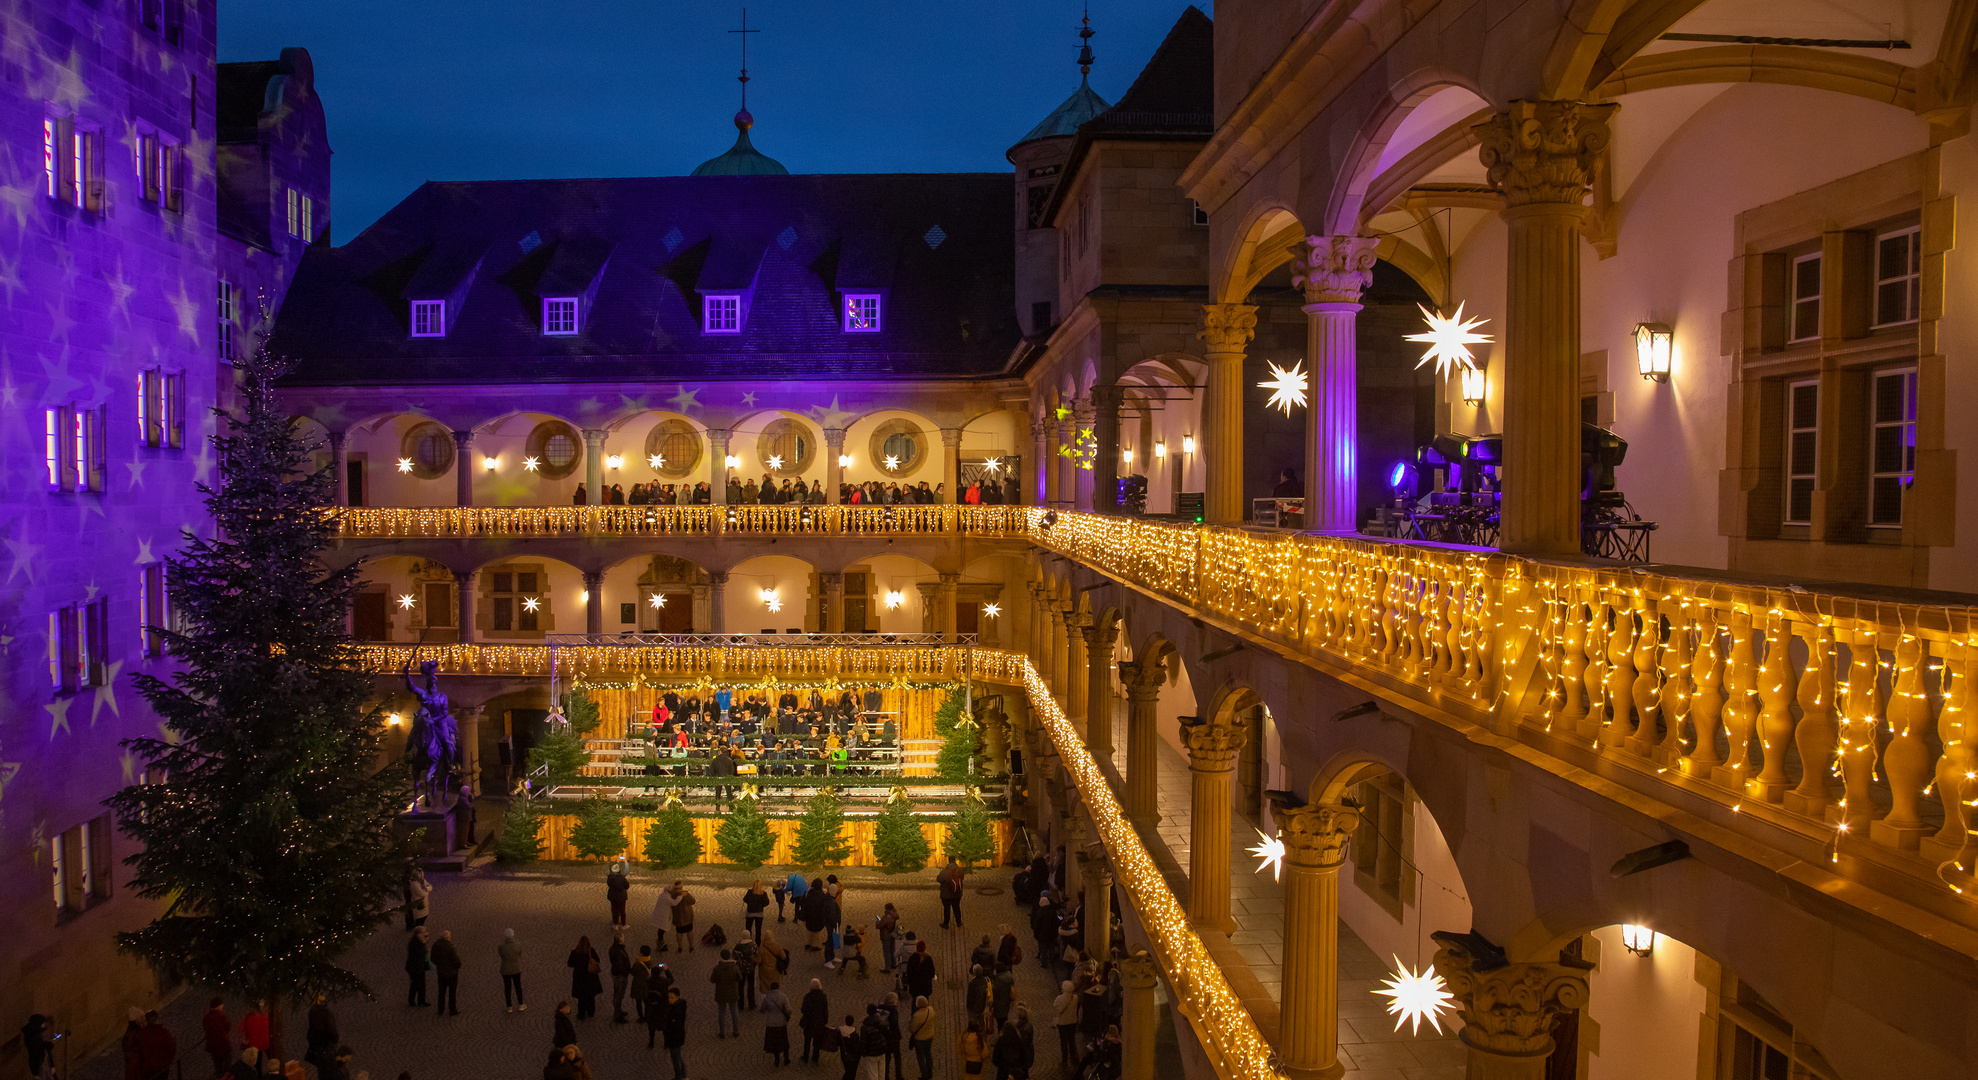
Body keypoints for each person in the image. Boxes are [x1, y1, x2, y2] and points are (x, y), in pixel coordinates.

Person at [710, 947, 744, 1038]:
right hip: (733, 992)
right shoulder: (735, 967)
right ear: (729, 956)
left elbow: (712, 979)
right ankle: (736, 1031)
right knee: (734, 1011)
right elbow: (740, 978)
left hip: (721, 993)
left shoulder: (717, 968)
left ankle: (722, 1032)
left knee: (721, 1012)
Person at [567, 936, 603, 1019]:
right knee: (590, 996)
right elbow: (598, 959)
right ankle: (591, 1012)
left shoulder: (575, 953)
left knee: (581, 997)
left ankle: (581, 1014)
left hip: (579, 978)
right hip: (590, 978)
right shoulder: (591, 951)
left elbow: (570, 964)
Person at [758, 980, 792, 1067]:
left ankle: (777, 1060)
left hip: (771, 1024)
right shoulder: (783, 997)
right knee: (784, 1042)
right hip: (781, 1023)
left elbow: (762, 1009)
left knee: (774, 1043)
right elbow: (788, 1010)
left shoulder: (767, 998)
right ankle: (786, 1059)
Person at [137, 1011, 176, 1080]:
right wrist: (169, 1061)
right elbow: (171, 1048)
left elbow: (140, 1052)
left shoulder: (142, 1034)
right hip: (163, 1066)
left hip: (149, 1068)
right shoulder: (164, 1032)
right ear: (156, 1019)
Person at [432, 929, 462, 1016]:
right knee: (452, 992)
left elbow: (432, 958)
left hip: (441, 972)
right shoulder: (450, 947)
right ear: (448, 937)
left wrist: (438, 964)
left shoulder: (435, 945)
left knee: (441, 991)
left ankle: (440, 1009)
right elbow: (456, 960)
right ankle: (452, 1009)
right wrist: (457, 965)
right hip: (451, 972)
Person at [799, 978, 831, 1062]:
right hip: (819, 1022)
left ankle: (806, 1056)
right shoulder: (823, 997)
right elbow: (825, 1010)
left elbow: (803, 1009)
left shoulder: (808, 997)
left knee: (807, 1040)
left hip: (809, 1022)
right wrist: (825, 1020)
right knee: (817, 1041)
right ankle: (815, 1057)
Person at [305, 994, 340, 1070]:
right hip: (326, 1045)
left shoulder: (312, 1011)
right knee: (328, 1067)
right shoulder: (326, 1013)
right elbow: (332, 1030)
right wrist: (335, 1040)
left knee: (321, 1068)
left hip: (317, 1045)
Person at [662, 987, 689, 1080]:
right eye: (669, 997)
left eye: (672, 997)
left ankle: (678, 1077)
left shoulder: (677, 1010)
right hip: (675, 1036)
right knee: (678, 1056)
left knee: (675, 1059)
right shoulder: (676, 1006)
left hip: (674, 1037)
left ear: (677, 997)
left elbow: (673, 1023)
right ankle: (683, 1075)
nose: (670, 999)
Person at [202, 998, 232, 1075]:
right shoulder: (220, 1016)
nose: (222, 1007)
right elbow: (227, 1028)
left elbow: (206, 1028)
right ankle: (227, 1076)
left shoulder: (206, 1018)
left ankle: (219, 1076)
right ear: (218, 1006)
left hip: (213, 1046)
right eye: (221, 1006)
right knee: (228, 1060)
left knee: (217, 1063)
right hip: (223, 1044)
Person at [857, 1007, 889, 1080]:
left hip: (871, 1053)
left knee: (872, 1074)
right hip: (882, 1051)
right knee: (881, 1073)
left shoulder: (864, 1028)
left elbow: (864, 1042)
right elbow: (887, 1035)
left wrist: (864, 1053)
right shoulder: (881, 1023)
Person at [501, 928, 528, 1012]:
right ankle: (521, 1004)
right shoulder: (518, 945)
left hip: (505, 969)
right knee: (518, 986)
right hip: (516, 968)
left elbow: (501, 955)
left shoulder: (501, 946)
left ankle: (509, 1006)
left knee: (507, 987)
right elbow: (519, 954)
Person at [909, 995, 936, 1080]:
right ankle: (930, 1072)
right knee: (928, 1054)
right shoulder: (930, 1010)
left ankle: (924, 1074)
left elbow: (913, 1029)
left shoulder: (917, 1015)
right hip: (930, 1035)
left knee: (920, 1056)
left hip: (919, 1038)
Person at [1052, 981, 1079, 1066]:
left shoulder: (1059, 998)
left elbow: (1055, 1006)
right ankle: (1074, 1058)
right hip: (1072, 1023)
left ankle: (1064, 1060)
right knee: (1072, 1040)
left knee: (1064, 1042)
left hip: (1063, 1024)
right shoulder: (1075, 998)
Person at [608, 932, 633, 1023]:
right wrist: (626, 972)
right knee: (619, 995)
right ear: (620, 941)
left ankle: (619, 1011)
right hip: (620, 976)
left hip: (617, 974)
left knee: (618, 994)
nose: (624, 939)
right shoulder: (618, 951)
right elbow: (619, 966)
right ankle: (617, 1015)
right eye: (623, 938)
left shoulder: (614, 948)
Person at [405, 927, 431, 1006]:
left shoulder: (415, 941)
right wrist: (423, 943)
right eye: (423, 933)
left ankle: (421, 1000)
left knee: (421, 984)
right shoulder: (414, 943)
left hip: (419, 966)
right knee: (415, 984)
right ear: (419, 934)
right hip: (415, 967)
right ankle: (412, 1000)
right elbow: (421, 953)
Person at [669, 881, 698, 953]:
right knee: (689, 932)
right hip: (687, 916)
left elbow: (671, 905)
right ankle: (691, 946)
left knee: (679, 932)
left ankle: (680, 947)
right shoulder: (686, 895)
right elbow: (693, 901)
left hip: (678, 917)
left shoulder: (672, 895)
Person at [939, 857, 965, 928]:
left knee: (947, 909)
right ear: (955, 860)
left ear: (948, 861)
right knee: (956, 908)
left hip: (946, 894)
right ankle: (959, 922)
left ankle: (946, 923)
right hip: (957, 893)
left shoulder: (945, 871)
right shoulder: (959, 870)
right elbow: (962, 877)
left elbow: (939, 879)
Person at [631, 945, 654, 1023]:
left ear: (641, 953)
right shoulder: (649, 962)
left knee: (638, 1002)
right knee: (647, 1002)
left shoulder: (637, 963)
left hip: (638, 985)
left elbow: (632, 972)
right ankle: (647, 1016)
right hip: (647, 985)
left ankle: (641, 1017)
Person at [606, 857, 631, 928]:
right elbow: (627, 886)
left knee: (614, 910)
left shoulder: (610, 878)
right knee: (622, 911)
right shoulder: (622, 879)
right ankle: (623, 924)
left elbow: (609, 884)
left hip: (613, 896)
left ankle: (615, 924)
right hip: (621, 896)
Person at [837, 1014, 864, 1080]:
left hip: (844, 1055)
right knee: (851, 1073)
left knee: (847, 1071)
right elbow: (856, 1048)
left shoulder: (840, 1032)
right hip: (853, 1057)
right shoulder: (854, 1035)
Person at [877, 904, 900, 973]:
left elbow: (879, 926)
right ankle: (893, 964)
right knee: (892, 950)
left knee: (886, 952)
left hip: (886, 936)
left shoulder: (886, 917)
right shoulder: (894, 915)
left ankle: (887, 968)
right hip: (892, 934)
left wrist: (878, 921)